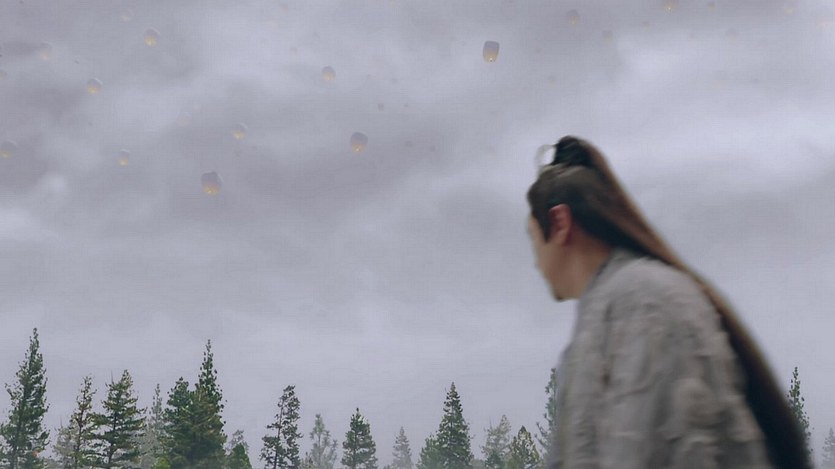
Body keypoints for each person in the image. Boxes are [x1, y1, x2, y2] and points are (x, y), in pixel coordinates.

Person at [525, 136, 811, 469]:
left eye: (533, 239)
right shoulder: (611, 314)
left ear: (560, 223)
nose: (535, 263)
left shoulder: (645, 302)